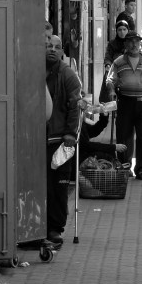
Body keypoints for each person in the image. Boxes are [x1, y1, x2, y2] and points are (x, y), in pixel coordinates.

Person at [105, 30, 142, 181]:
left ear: (140, 43)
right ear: (125, 44)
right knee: (124, 136)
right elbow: (110, 80)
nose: (134, 44)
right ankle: (125, 167)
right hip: (125, 102)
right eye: (130, 41)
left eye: (136, 41)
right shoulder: (118, 62)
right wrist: (111, 90)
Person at [45, 35, 82, 244]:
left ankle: (55, 228)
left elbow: (75, 106)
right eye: (48, 46)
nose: (52, 49)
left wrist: (70, 134)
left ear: (62, 52)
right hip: (36, 138)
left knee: (57, 187)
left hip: (59, 139)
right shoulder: (35, 70)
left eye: (57, 47)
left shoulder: (67, 74)